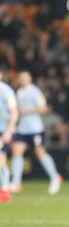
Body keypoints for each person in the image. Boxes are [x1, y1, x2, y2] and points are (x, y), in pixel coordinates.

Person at [10, 71, 63, 195]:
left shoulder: (34, 91)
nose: (23, 80)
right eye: (21, 78)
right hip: (22, 128)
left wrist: (29, 111)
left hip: (35, 129)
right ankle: (16, 183)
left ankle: (55, 177)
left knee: (40, 153)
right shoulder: (19, 92)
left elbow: (44, 107)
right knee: (17, 151)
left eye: (25, 78)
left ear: (30, 79)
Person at [0, 70, 19, 202]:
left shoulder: (6, 91)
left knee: (1, 158)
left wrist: (8, 131)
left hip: (3, 130)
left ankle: (5, 190)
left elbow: (14, 113)